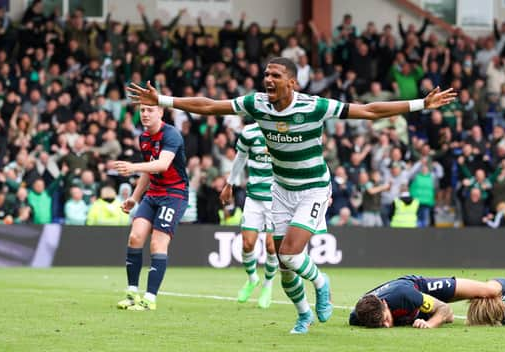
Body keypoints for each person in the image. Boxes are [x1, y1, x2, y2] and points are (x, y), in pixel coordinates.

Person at [127, 56, 456, 333]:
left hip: (313, 188)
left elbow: (369, 110)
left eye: (275, 75)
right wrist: (163, 100)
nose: (267, 79)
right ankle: (303, 314)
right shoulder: (256, 104)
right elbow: (210, 106)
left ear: (292, 83)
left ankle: (322, 282)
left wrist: (420, 104)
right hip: (280, 189)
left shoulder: (314, 107)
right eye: (266, 74)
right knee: (286, 270)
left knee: (288, 254)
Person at [113, 103, 189, 311]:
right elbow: (149, 171)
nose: (145, 114)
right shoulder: (144, 138)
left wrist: (132, 167)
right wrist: (135, 198)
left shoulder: (171, 135)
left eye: (150, 110)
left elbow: (162, 165)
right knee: (135, 237)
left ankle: (149, 299)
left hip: (174, 195)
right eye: (142, 110)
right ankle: (131, 293)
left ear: (161, 112)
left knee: (157, 244)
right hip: (153, 193)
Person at [220, 122, 278, 309]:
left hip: (277, 199)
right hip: (253, 197)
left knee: (271, 246)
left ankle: (268, 285)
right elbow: (240, 158)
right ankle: (252, 279)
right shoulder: (249, 132)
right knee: (247, 244)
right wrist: (229, 184)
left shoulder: (283, 131)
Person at [349, 275, 505, 328]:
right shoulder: (359, 315)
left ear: (386, 304)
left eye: (386, 319)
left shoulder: (405, 295)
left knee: (488, 291)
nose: (387, 325)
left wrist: (431, 324)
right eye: (382, 324)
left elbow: (446, 311)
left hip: (421, 288)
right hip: (415, 307)